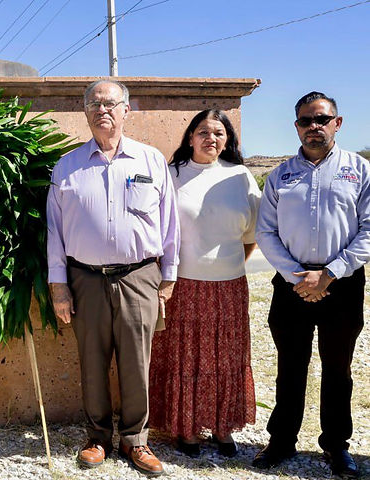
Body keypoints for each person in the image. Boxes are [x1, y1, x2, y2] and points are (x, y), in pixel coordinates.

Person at [47, 79, 179, 477]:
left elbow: (171, 222)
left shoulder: (151, 160)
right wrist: (58, 285)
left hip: (140, 276)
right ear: (85, 112)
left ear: (126, 111)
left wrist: (168, 275)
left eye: (111, 103)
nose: (103, 110)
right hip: (84, 279)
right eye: (94, 104)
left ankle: (135, 439)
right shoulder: (67, 166)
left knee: (137, 362)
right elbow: (54, 231)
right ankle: (98, 437)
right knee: (91, 361)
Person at [253, 91, 368, 478]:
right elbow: (266, 231)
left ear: (337, 122)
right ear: (296, 126)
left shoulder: (359, 171)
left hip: (343, 284)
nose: (313, 127)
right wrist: (296, 276)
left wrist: (331, 272)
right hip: (292, 285)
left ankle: (337, 447)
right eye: (305, 120)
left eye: (321, 119)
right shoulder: (280, 175)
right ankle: (281, 442)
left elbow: (369, 229)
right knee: (290, 366)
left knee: (338, 368)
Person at [148, 110, 260, 458]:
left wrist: (227, 266)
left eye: (219, 132)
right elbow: (158, 231)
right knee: (187, 358)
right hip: (182, 284)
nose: (211, 138)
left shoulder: (240, 177)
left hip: (229, 285)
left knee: (226, 358)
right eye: (202, 132)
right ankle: (188, 428)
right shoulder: (172, 175)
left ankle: (223, 426)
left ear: (228, 140)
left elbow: (251, 234)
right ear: (190, 138)